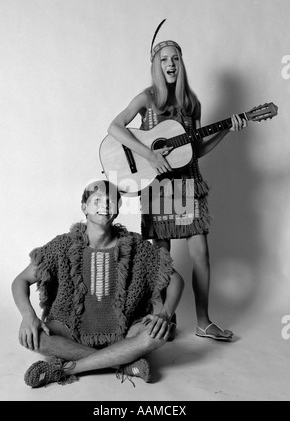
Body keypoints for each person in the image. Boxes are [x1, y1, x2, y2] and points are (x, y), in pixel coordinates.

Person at [108, 22, 248, 341]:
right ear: (156, 64)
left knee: (201, 252)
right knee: (162, 258)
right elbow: (115, 127)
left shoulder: (191, 103)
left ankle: (203, 320)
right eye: (164, 59)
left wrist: (225, 129)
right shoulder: (147, 98)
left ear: (181, 64)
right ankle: (163, 317)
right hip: (159, 187)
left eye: (175, 59)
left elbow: (196, 150)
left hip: (188, 183)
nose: (170, 64)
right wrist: (149, 153)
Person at [11, 180, 184, 388]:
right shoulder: (63, 245)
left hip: (125, 331)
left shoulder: (136, 246)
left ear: (117, 209)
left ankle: (70, 368)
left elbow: (176, 279)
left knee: (157, 336)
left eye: (111, 200)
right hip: (71, 329)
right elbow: (20, 281)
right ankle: (122, 362)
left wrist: (165, 313)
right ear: (84, 207)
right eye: (97, 199)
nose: (105, 205)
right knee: (32, 337)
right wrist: (28, 316)